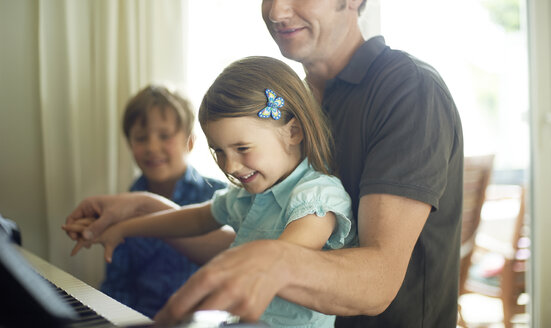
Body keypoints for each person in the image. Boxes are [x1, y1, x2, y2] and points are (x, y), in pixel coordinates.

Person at [65, 0, 464, 327]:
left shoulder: (407, 89)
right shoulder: (288, 106)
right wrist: (141, 210)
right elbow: (253, 242)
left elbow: (376, 281)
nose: (275, 11)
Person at [64, 56, 356, 328]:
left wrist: (179, 310)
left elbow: (277, 259)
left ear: (293, 133)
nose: (230, 165)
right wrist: (125, 227)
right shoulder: (246, 194)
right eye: (218, 151)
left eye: (242, 148)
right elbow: (193, 220)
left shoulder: (316, 197)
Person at [92, 85, 227, 318]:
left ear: (190, 142)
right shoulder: (125, 201)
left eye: (164, 136)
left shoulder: (220, 196)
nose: (152, 148)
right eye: (141, 138)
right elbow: (118, 285)